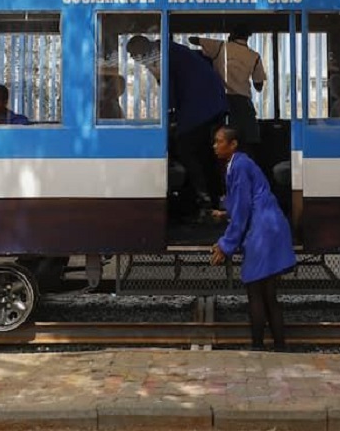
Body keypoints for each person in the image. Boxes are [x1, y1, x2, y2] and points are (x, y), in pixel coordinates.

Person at [209, 125, 296, 351]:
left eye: (219, 141)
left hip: (262, 231)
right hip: (272, 226)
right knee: (269, 295)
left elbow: (243, 208)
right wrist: (226, 213)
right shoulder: (240, 163)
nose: (215, 146)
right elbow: (245, 202)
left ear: (233, 144)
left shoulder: (238, 166)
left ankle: (258, 347)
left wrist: (225, 245)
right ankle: (280, 347)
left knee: (255, 292)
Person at [127, 35, 228, 213]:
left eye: (133, 55)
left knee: (185, 149)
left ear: (141, 51)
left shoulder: (160, 56)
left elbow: (169, 88)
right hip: (213, 104)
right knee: (205, 153)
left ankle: (202, 198)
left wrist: (170, 116)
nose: (133, 59)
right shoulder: (170, 49)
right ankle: (213, 198)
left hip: (200, 106)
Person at [189, 25, 267, 150]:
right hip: (243, 104)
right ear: (247, 37)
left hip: (221, 101)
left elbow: (192, 39)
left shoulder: (220, 47)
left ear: (232, 35)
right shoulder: (254, 56)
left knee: (220, 141)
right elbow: (258, 86)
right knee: (246, 140)